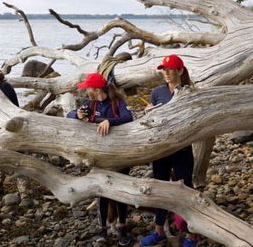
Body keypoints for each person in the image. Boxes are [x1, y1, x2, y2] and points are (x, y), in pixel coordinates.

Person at [66, 73, 133, 246]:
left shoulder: (117, 102)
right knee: (101, 191)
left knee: (119, 191)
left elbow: (128, 117)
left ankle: (122, 226)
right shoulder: (90, 104)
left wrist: (109, 121)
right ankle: (102, 228)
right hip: (99, 155)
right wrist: (78, 115)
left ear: (96, 89)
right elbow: (70, 115)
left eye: (88, 88)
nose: (86, 91)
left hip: (119, 154)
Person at [140, 54, 197, 247]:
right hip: (161, 149)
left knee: (187, 188)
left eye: (170, 69)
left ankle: (191, 234)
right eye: (163, 69)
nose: (166, 73)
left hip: (182, 148)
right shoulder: (157, 92)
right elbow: (151, 120)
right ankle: (159, 231)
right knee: (160, 187)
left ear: (180, 70)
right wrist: (148, 112)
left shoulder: (191, 91)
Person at [0, 65, 33, 207]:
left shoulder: (5, 87)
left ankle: (25, 195)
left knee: (18, 161)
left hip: (14, 128)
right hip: (2, 128)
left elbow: (8, 109)